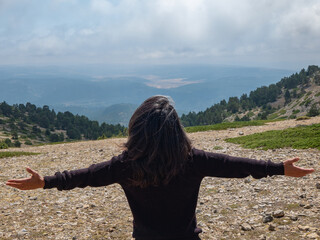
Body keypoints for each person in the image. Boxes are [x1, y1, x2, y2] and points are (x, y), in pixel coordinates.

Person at [6, 95, 315, 240]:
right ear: (177, 131)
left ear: (136, 130)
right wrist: (278, 168)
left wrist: (45, 181)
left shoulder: (125, 166)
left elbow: (84, 176)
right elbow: (238, 165)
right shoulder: (194, 161)